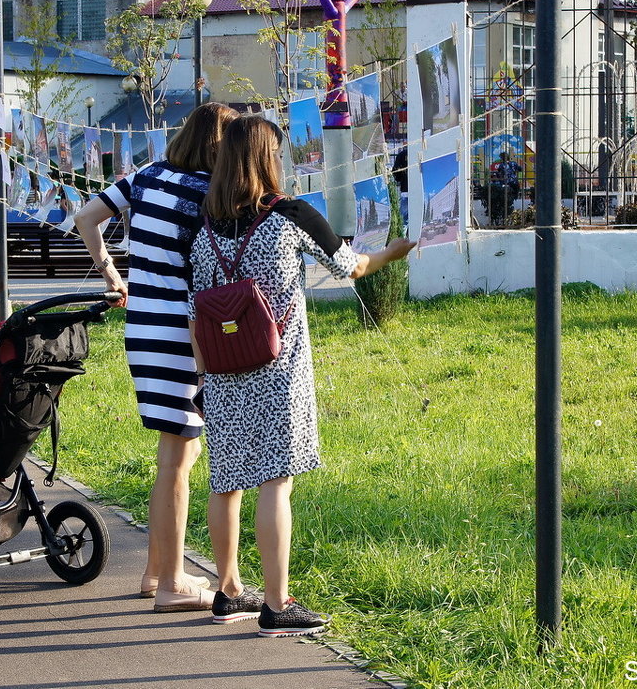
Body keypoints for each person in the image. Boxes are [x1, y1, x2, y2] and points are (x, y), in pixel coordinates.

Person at [189, 116, 414, 637]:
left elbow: (195, 313)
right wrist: (394, 251)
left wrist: (202, 380)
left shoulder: (203, 233)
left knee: (226, 483)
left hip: (221, 374)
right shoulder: (289, 216)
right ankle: (275, 604)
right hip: (278, 369)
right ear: (268, 159)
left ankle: (227, 592)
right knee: (275, 482)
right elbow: (351, 267)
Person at [74, 101, 238, 611]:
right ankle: (171, 584)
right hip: (180, 333)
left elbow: (84, 217)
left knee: (175, 452)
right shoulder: (205, 193)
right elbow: (200, 281)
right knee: (178, 457)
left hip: (143, 326)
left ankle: (155, 572)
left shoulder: (147, 176)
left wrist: (111, 275)